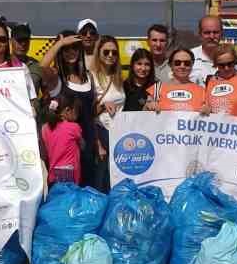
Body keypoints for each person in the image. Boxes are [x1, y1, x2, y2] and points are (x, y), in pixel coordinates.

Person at [41, 30, 101, 187]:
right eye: (66, 49)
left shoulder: (89, 77)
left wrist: (97, 143)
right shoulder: (56, 77)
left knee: (88, 188)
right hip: (64, 148)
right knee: (65, 192)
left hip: (87, 142)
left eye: (74, 47)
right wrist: (60, 43)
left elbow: (91, 114)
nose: (70, 52)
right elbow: (42, 66)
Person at [87, 34, 125, 191]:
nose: (111, 55)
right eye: (106, 52)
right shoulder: (91, 77)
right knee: (100, 182)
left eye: (114, 52)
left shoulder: (119, 78)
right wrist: (103, 106)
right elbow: (87, 113)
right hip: (101, 133)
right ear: (99, 53)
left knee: (114, 180)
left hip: (118, 134)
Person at [41, 96, 84, 185]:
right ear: (67, 110)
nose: (78, 115)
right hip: (70, 174)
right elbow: (82, 145)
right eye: (77, 111)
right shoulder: (74, 127)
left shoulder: (45, 128)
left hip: (53, 175)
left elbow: (45, 153)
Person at [203, 45, 237, 117]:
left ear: (235, 62)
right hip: (215, 126)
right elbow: (204, 104)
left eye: (230, 64)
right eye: (222, 65)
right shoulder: (209, 81)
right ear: (216, 64)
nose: (226, 68)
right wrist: (205, 108)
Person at [9, 21, 47, 117]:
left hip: (32, 120)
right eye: (19, 40)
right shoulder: (3, 65)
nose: (23, 44)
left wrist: (38, 107)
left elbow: (46, 94)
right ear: (11, 41)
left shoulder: (36, 65)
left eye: (26, 41)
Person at [191, 15, 226, 82]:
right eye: (207, 33)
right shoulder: (189, 57)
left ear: (222, 34)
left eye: (215, 32)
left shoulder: (231, 58)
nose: (211, 36)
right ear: (200, 34)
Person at [122, 48, 157, 112]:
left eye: (147, 64)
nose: (143, 68)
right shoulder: (124, 86)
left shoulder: (157, 86)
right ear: (132, 65)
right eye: (139, 64)